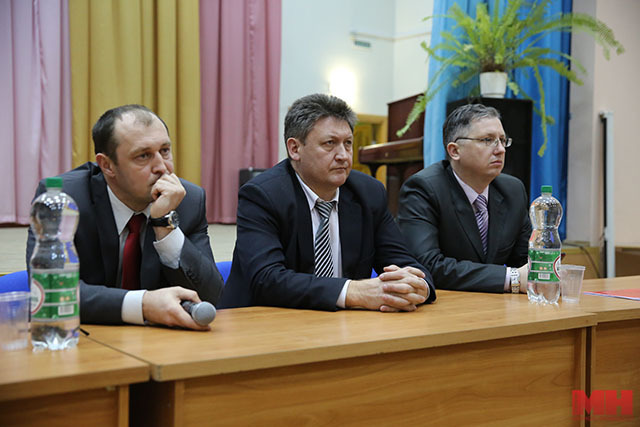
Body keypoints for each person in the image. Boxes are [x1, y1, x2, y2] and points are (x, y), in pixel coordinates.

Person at [221, 93, 435, 311]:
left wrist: (418, 286)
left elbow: (405, 263)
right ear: (295, 149)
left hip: (346, 323)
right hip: (265, 320)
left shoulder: (369, 193)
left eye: (348, 143)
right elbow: (267, 279)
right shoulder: (262, 195)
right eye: (330, 143)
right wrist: (352, 291)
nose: (343, 155)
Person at [26, 104, 224, 330]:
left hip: (160, 342)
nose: (162, 167)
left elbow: (211, 296)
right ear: (107, 165)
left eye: (165, 151)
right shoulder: (63, 200)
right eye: (143, 156)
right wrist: (143, 305)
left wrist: (164, 224)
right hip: (85, 337)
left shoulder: (187, 200)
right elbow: (52, 290)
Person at [398, 104, 530, 294]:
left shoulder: (513, 190)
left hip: (496, 303)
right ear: (455, 151)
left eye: (502, 140)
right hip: (445, 303)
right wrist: (511, 278)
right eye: (488, 140)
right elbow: (426, 265)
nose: (500, 149)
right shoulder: (424, 189)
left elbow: (526, 260)